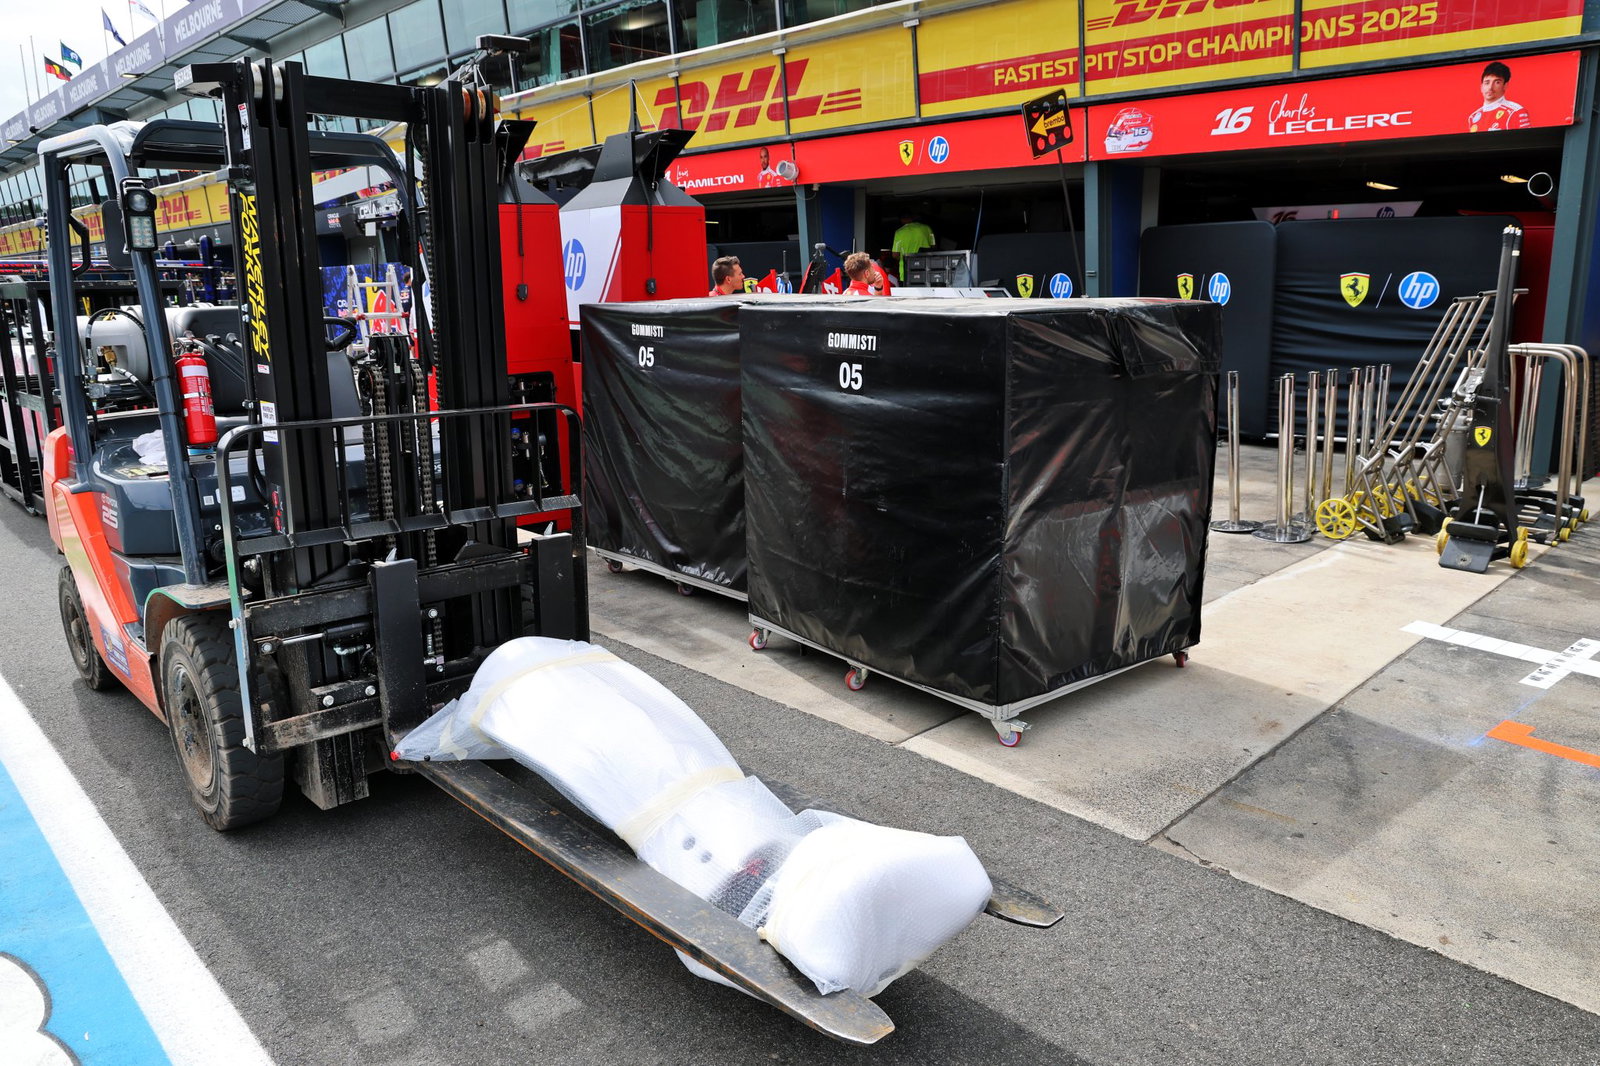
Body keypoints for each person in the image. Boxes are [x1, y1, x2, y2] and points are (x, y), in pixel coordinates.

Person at [1469, 61, 1531, 132]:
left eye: (1497, 82)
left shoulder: (1516, 112)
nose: (1490, 87)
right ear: (1481, 87)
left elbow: (1527, 141)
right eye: (1487, 83)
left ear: (1505, 86)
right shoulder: (1473, 117)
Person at [890, 211, 935, 281]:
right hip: (926, 269)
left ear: (902, 220)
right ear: (912, 218)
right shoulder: (927, 228)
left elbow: (895, 255)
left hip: (906, 271)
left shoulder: (899, 232)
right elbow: (933, 247)